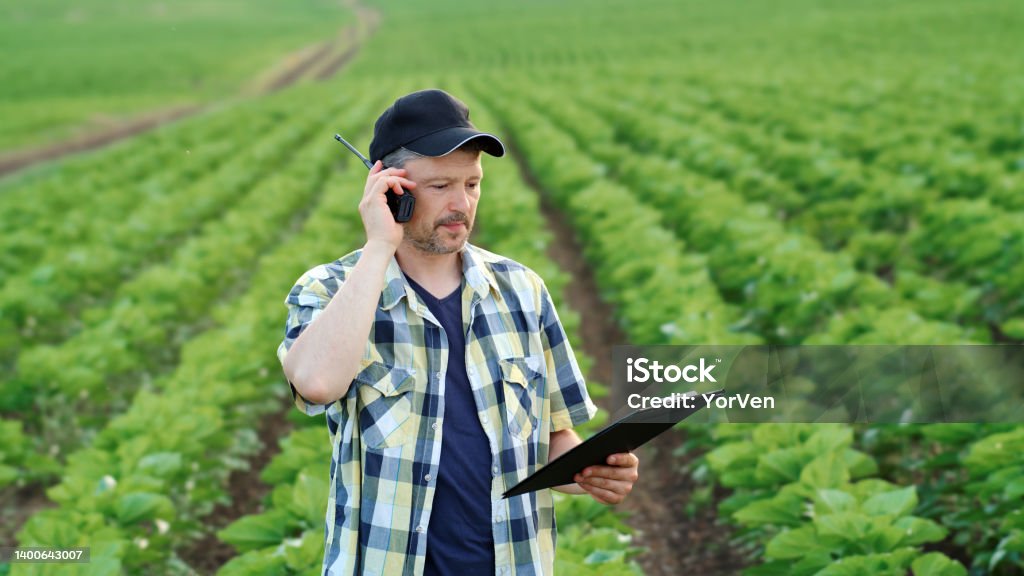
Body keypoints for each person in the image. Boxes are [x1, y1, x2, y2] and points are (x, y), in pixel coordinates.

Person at [277, 89, 640, 576]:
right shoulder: (331, 290)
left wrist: (591, 472)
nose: (460, 204)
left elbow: (554, 436)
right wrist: (380, 246)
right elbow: (316, 382)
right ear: (389, 187)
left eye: (472, 184)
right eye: (440, 186)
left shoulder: (521, 290)